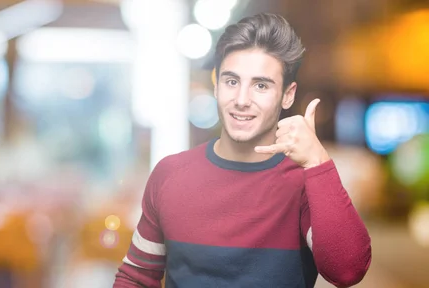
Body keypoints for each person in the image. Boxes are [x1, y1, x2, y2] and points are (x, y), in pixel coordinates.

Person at [113, 13, 371, 288]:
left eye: (261, 85)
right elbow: (135, 278)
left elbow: (347, 271)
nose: (241, 100)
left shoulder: (305, 183)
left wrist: (317, 161)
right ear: (216, 86)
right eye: (232, 81)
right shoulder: (170, 174)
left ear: (288, 95)